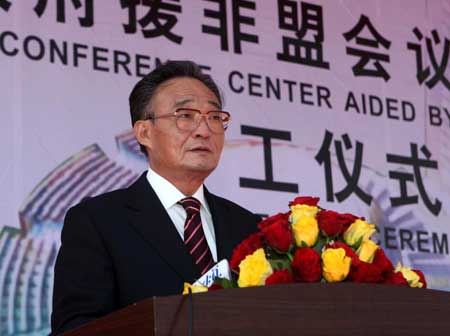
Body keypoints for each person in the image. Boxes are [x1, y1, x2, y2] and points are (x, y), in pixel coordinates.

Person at [51, 61, 260, 334]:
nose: (204, 130)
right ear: (144, 132)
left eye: (214, 117)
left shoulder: (248, 227)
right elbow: (77, 327)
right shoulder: (98, 221)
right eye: (185, 116)